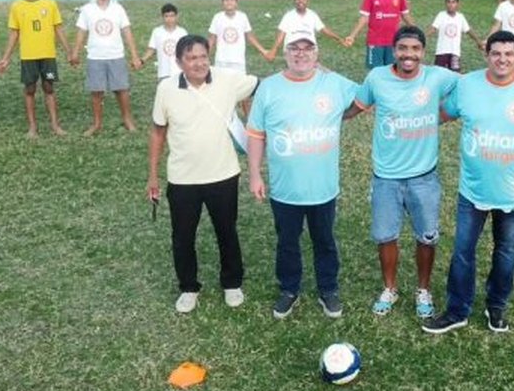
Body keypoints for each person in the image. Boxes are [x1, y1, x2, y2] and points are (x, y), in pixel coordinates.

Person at [422, 30, 514, 335]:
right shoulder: (468, 85)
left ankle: (496, 305)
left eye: (509, 54)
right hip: (472, 191)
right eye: (496, 53)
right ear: (487, 55)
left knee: (506, 251)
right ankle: (457, 309)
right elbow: (441, 115)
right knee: (463, 251)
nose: (502, 59)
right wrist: (405, 110)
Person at [344, 26, 459, 318]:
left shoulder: (438, 76)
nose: (409, 55)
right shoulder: (377, 78)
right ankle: (390, 288)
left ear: (423, 51)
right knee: (385, 236)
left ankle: (423, 289)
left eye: (415, 49)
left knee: (427, 237)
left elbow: (476, 84)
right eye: (403, 48)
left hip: (424, 176)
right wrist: (320, 115)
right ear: (394, 50)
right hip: (386, 177)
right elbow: (353, 108)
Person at [246, 30, 359, 320]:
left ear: (317, 54)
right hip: (286, 189)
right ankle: (289, 289)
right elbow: (256, 134)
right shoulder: (269, 88)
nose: (300, 53)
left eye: (307, 48)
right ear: (285, 53)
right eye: (294, 48)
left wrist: (339, 113)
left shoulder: (333, 83)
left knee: (324, 240)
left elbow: (363, 98)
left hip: (323, 187)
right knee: (287, 241)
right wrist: (255, 174)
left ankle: (328, 289)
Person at [147, 34, 259, 313]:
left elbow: (262, 84)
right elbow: (158, 131)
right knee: (183, 236)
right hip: (183, 178)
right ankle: (188, 287)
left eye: (202, 57)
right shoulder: (166, 89)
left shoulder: (227, 79)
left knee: (227, 231)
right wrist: (153, 175)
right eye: (191, 58)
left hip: (223, 175)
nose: (199, 63)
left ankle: (232, 283)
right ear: (179, 61)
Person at [0, 0, 71, 138]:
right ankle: (32, 127)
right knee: (30, 89)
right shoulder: (17, 6)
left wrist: (68, 52)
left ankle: (55, 125)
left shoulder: (50, 3)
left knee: (49, 87)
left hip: (47, 55)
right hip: (28, 56)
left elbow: (58, 29)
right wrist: (6, 58)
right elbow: (14, 33)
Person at [69, 0, 143, 135]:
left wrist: (134, 55)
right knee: (96, 92)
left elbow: (127, 32)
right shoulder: (87, 10)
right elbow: (81, 32)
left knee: (121, 89)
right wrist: (75, 52)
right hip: (95, 56)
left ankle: (127, 120)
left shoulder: (118, 9)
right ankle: (96, 124)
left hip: (116, 55)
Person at [345, 0, 414, 68]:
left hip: (393, 41)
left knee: (393, 71)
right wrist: (352, 36)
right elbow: (364, 18)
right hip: (375, 41)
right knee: (375, 72)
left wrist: (416, 31)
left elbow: (405, 14)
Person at [267, 0, 347, 58]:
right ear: (294, 1)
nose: (301, 1)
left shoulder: (312, 15)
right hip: (293, 49)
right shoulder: (288, 16)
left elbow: (324, 29)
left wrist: (339, 39)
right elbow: (281, 34)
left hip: (309, 48)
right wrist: (274, 50)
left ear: (308, 0)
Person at [208, 0, 270, 72]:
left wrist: (263, 51)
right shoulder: (217, 17)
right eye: (226, 0)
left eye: (232, 0)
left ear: (236, 3)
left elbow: (250, 36)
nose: (229, 2)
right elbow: (212, 39)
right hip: (221, 60)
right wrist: (205, 55)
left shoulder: (242, 17)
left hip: (238, 60)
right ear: (222, 2)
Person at [428, 0, 481, 72]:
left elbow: (468, 30)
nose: (451, 4)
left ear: (457, 4)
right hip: (442, 51)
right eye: (448, 2)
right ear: (445, 4)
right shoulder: (441, 15)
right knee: (438, 73)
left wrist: (478, 41)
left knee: (455, 74)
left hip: (455, 53)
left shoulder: (460, 17)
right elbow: (433, 28)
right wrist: (423, 38)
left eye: (453, 2)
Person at [143, 3, 189, 81]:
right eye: (166, 16)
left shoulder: (182, 32)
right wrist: (142, 60)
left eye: (172, 16)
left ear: (176, 16)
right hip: (163, 72)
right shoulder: (157, 32)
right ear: (162, 17)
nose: (169, 19)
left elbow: (187, 51)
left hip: (179, 71)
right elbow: (152, 49)